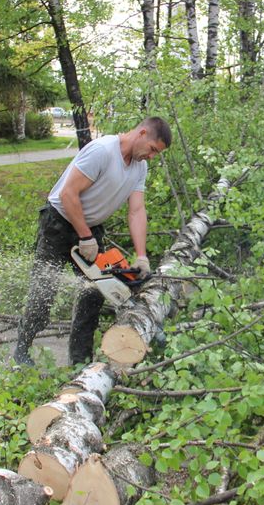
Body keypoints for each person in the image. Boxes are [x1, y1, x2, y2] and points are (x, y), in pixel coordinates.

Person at [13, 117, 172, 367]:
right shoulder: (103, 151)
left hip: (91, 230)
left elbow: (137, 210)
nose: (151, 156)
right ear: (142, 133)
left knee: (94, 294)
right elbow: (68, 194)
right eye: (152, 149)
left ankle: (80, 363)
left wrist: (141, 256)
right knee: (43, 292)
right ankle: (21, 351)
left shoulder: (139, 168)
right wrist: (84, 236)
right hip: (59, 223)